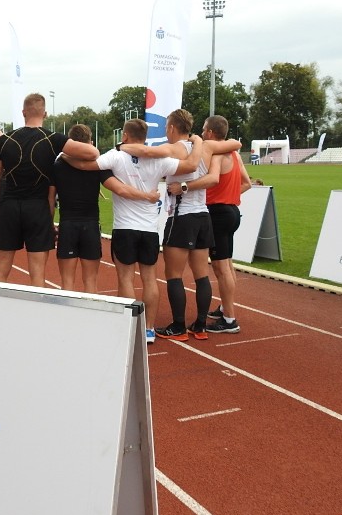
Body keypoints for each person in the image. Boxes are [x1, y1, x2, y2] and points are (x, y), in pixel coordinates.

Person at [62, 118, 203, 343]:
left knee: (125, 279)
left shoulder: (116, 155)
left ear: (125, 136)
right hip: (149, 229)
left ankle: (129, 326)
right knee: (149, 279)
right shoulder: (161, 160)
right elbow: (191, 166)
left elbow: (84, 165)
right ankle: (148, 329)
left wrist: (63, 154)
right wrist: (198, 142)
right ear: (145, 138)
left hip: (125, 228)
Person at [119, 109, 241, 341]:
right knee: (201, 275)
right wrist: (198, 140)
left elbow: (145, 150)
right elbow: (234, 143)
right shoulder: (207, 146)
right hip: (203, 216)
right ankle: (201, 325)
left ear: (173, 128)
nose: (166, 131)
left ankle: (178, 326)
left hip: (181, 216)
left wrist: (121, 147)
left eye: (166, 127)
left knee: (173, 274)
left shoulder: (174, 149)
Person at [0, 93, 100, 287]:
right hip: (37, 209)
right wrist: (64, 156)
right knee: (37, 275)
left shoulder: (4, 140)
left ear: (23, 112)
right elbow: (93, 152)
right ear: (45, 113)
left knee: (0, 272)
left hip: (9, 207)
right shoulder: (53, 139)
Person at [49, 124, 162, 293]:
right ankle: (93, 319)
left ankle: (69, 319)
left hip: (68, 226)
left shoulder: (57, 165)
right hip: (91, 226)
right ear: (90, 142)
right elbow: (119, 188)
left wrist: (50, 224)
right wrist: (147, 195)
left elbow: (50, 198)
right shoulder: (98, 166)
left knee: (67, 282)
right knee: (90, 282)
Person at [195, 116, 252, 334]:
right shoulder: (235, 154)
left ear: (210, 133)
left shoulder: (217, 153)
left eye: (203, 130)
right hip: (231, 211)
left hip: (218, 212)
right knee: (227, 264)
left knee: (220, 267)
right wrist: (229, 197)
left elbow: (213, 179)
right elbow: (247, 183)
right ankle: (225, 308)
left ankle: (229, 319)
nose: (202, 133)